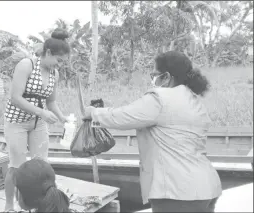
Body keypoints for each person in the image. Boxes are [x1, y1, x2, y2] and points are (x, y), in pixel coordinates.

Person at [83, 51, 222, 212]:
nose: (153, 80)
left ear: (167, 77)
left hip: (176, 191)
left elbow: (123, 116)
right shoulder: (194, 100)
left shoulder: (160, 98)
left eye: (154, 75)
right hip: (206, 187)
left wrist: (93, 113)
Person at [3, 28, 70, 212]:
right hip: (17, 121)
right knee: (16, 167)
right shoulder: (26, 65)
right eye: (58, 60)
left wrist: (62, 117)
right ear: (48, 53)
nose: (59, 65)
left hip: (37, 123)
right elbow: (16, 97)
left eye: (62, 62)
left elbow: (51, 102)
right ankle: (9, 205)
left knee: (42, 166)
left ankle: (40, 205)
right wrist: (41, 113)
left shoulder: (54, 74)